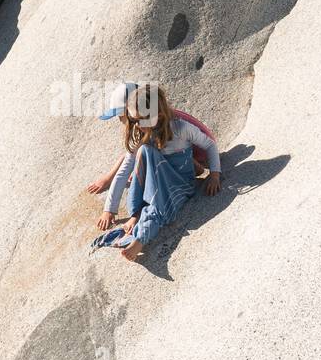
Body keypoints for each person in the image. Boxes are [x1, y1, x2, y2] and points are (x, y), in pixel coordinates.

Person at [88, 82, 221, 261]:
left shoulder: (180, 128)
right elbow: (126, 168)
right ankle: (136, 214)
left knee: (160, 203)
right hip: (160, 179)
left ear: (156, 115)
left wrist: (214, 174)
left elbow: (210, 145)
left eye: (139, 120)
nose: (136, 125)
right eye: (133, 120)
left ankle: (141, 239)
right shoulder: (144, 133)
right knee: (143, 153)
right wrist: (109, 209)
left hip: (180, 183)